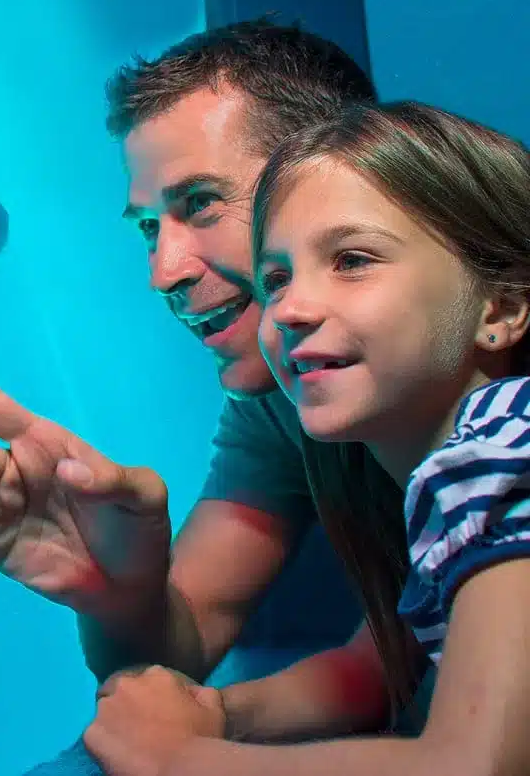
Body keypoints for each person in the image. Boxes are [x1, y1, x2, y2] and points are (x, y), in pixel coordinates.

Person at [0, 20, 425, 749]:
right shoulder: (278, 400)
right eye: (150, 228)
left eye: (201, 204)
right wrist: (114, 589)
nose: (164, 272)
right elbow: (391, 661)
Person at [83, 100, 530, 776]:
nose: (288, 308)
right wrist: (219, 715)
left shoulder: (498, 456)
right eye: (277, 278)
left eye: (351, 260)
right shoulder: (468, 466)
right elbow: (380, 663)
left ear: (500, 306)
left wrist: (183, 761)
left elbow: (480, 765)